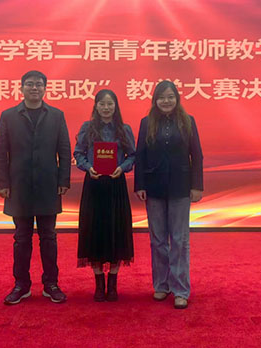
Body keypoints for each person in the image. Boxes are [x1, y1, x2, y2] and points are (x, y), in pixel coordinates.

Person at [0, 70, 71, 305]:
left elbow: (64, 151)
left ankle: (51, 284)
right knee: (21, 238)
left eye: (38, 84)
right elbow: (0, 152)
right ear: (22, 88)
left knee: (49, 237)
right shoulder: (8, 116)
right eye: (30, 84)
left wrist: (63, 181)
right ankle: (21, 285)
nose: (34, 88)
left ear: (45, 88)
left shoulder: (56, 116)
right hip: (19, 186)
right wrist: (2, 183)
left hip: (48, 185)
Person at [134, 80, 203, 309]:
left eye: (170, 97)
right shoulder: (146, 123)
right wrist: (140, 185)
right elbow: (140, 156)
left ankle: (181, 289)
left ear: (177, 99)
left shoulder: (188, 121)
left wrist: (197, 186)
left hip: (180, 187)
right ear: (155, 100)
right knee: (158, 240)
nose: (166, 101)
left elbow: (197, 155)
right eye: (162, 97)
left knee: (180, 240)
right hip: (153, 188)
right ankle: (161, 285)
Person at [74, 89, 135, 302]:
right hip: (94, 185)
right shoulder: (87, 128)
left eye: (110, 103)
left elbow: (133, 155)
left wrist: (122, 168)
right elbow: (78, 153)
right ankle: (99, 284)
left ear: (115, 106)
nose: (106, 107)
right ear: (96, 106)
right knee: (95, 232)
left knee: (117, 232)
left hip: (116, 186)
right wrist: (88, 167)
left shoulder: (124, 129)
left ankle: (113, 284)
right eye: (102, 104)